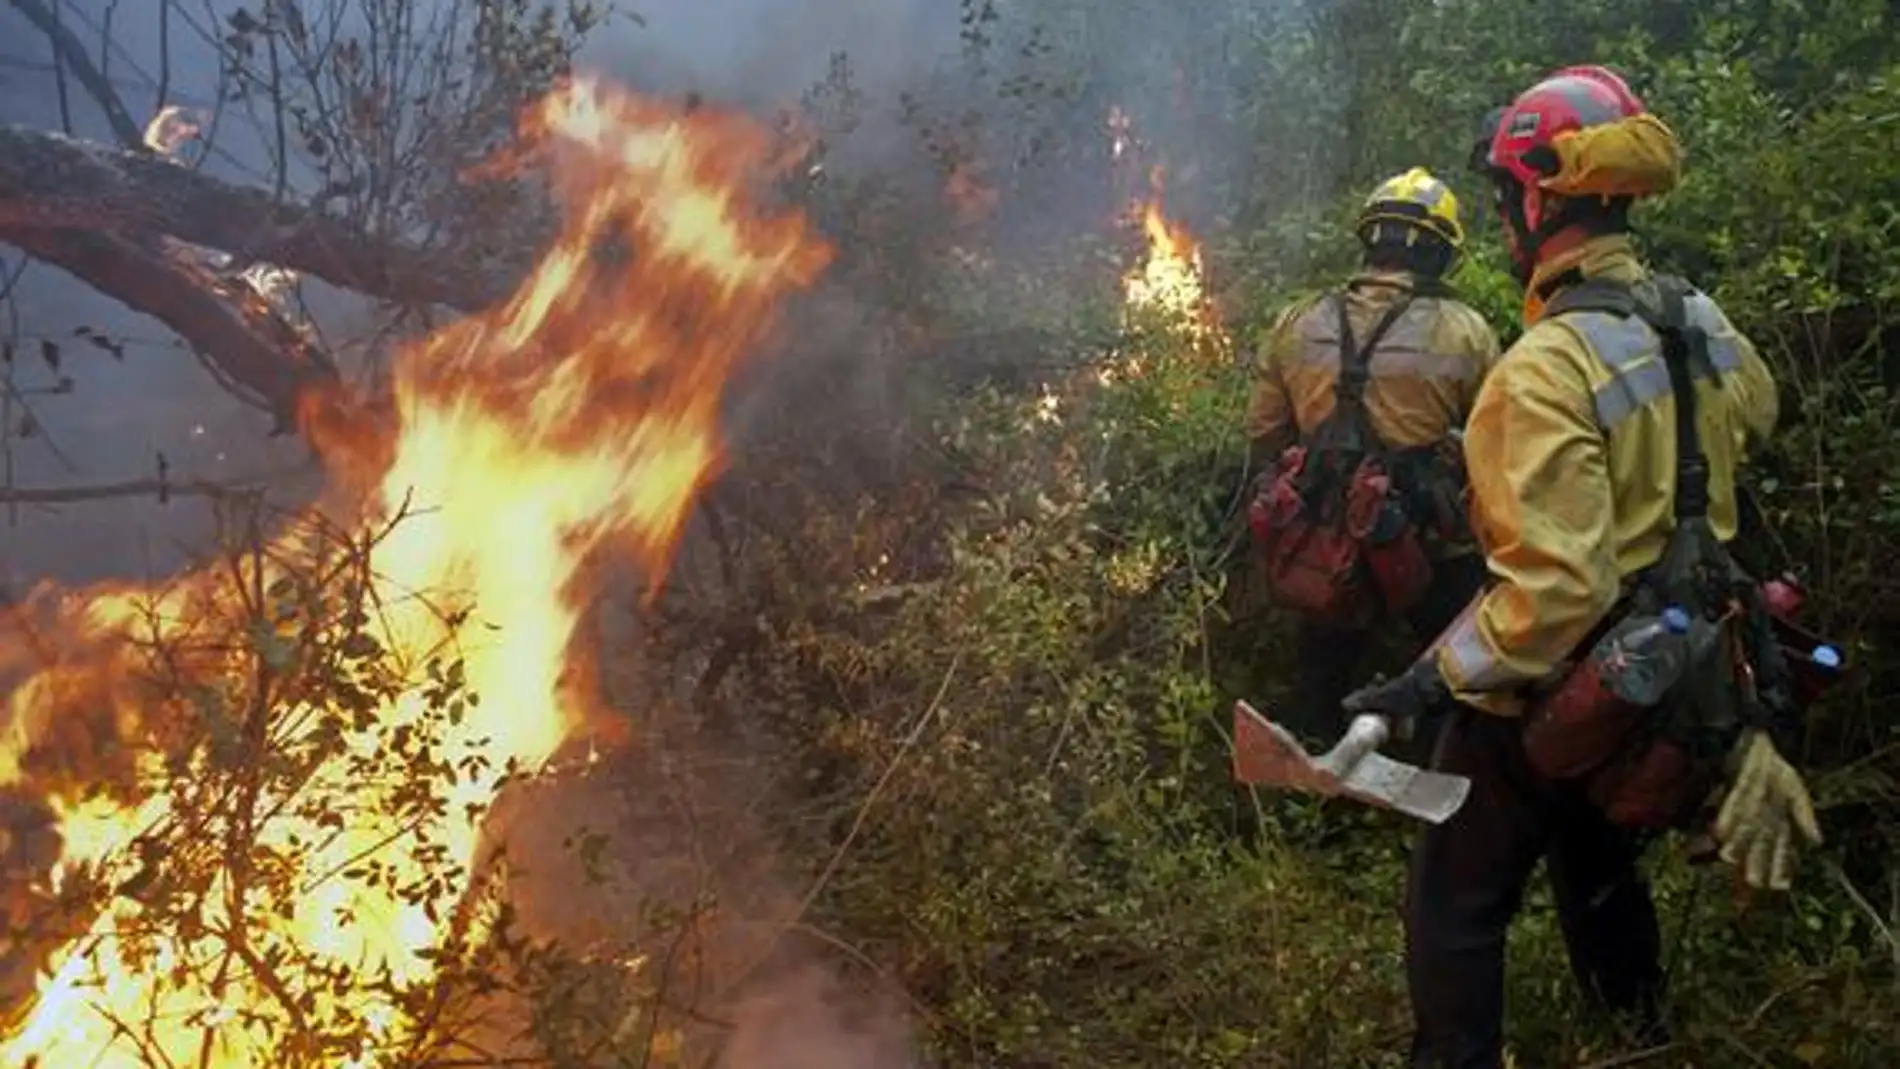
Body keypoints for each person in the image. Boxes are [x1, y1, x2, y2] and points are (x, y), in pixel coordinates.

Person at [1338, 66, 1823, 1068]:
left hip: (1566, 676)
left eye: (1505, 194)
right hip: (1675, 677)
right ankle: (1637, 1030)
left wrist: (1430, 679)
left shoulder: (1542, 366)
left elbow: (1553, 592)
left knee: (1456, 897)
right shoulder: (1700, 320)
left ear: (1534, 195)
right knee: (1595, 855)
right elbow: (1761, 413)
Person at [1244, 167, 1500, 745]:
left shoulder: (1297, 320)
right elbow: (1498, 447)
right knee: (1454, 647)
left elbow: (1263, 432)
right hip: (1423, 542)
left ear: (1368, 241)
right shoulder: (1468, 332)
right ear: (1441, 253)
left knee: (1321, 657)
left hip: (1320, 540)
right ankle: (1443, 754)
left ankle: (1312, 761)